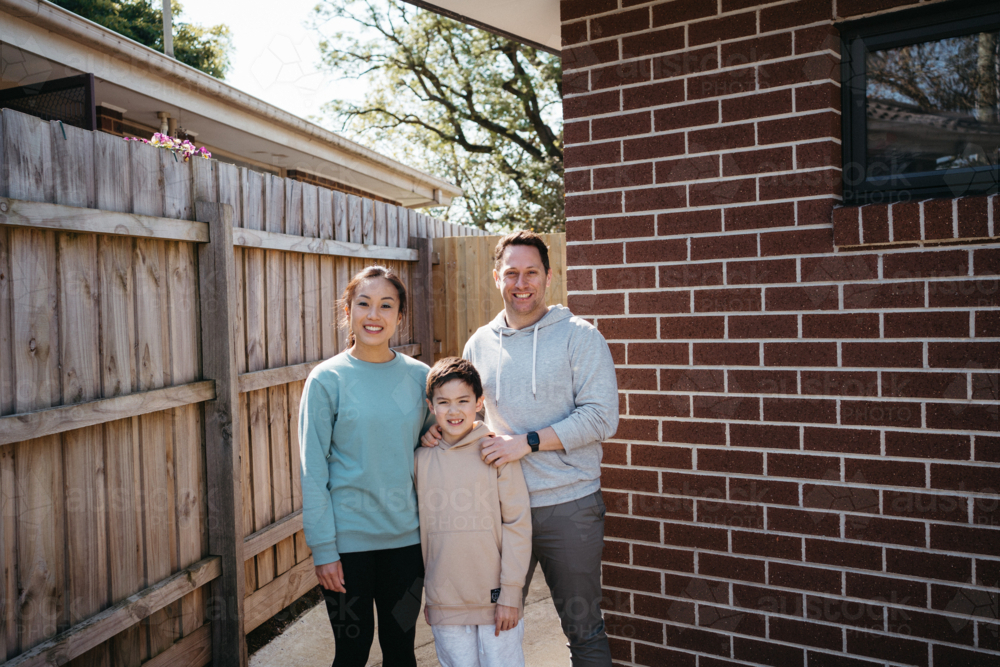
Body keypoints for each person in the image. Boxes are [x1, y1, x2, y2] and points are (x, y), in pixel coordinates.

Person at [422, 231, 620, 666]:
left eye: (532, 272)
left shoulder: (580, 337)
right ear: (497, 278)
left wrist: (527, 443)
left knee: (583, 629)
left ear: (548, 277)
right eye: (512, 273)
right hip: (498, 510)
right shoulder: (480, 343)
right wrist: (437, 434)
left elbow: (603, 417)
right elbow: (468, 414)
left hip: (568, 506)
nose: (521, 282)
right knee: (497, 623)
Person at [299, 265, 432, 667]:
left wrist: (431, 439)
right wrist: (324, 549)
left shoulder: (420, 379)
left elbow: (442, 443)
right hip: (347, 547)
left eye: (386, 306)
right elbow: (312, 470)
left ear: (400, 317)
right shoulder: (326, 380)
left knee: (401, 651)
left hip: (406, 547)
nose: (374, 315)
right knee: (352, 653)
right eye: (364, 304)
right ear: (348, 311)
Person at [415, 357, 532, 667]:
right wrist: (432, 598)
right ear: (431, 406)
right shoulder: (420, 460)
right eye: (444, 402)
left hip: (496, 601)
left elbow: (518, 524)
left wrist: (510, 593)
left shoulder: (497, 452)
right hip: (445, 602)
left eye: (463, 401)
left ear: (479, 402)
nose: (454, 411)